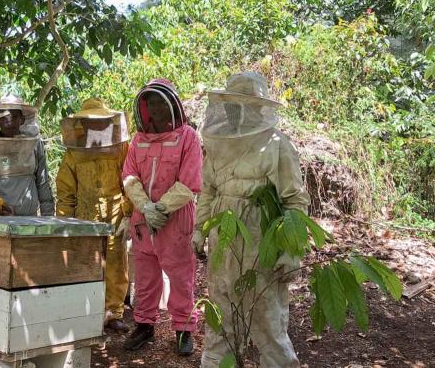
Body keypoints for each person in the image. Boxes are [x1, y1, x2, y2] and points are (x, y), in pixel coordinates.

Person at [194, 72, 310, 368]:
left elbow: (294, 201)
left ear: (258, 107)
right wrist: (199, 229)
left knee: (267, 319)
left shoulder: (278, 145)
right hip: (223, 240)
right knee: (221, 315)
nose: (237, 111)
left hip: (262, 241)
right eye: (232, 105)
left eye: (243, 105)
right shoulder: (218, 143)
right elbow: (208, 190)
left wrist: (291, 250)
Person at [121, 79, 202, 356]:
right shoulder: (138, 140)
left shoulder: (188, 137)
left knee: (181, 277)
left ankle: (183, 330)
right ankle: (144, 326)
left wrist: (162, 208)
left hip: (175, 221)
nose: (155, 108)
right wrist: (146, 207)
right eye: (151, 103)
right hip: (143, 221)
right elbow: (130, 177)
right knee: (145, 276)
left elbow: (189, 182)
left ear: (172, 105)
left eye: (160, 103)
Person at [56, 98, 132, 332]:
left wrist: (129, 213)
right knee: (86, 261)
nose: (97, 126)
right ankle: (88, 310)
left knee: (116, 262)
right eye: (91, 122)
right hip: (85, 215)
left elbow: (130, 180)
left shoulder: (121, 148)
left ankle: (114, 312)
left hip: (115, 212)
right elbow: (66, 191)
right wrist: (65, 221)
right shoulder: (74, 153)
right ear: (83, 125)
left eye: (101, 122)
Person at [0, 95, 54, 216]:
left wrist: (48, 217)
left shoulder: (35, 144)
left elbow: (42, 182)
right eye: (3, 117)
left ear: (22, 119)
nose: (9, 120)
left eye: (14, 116)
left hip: (29, 218)